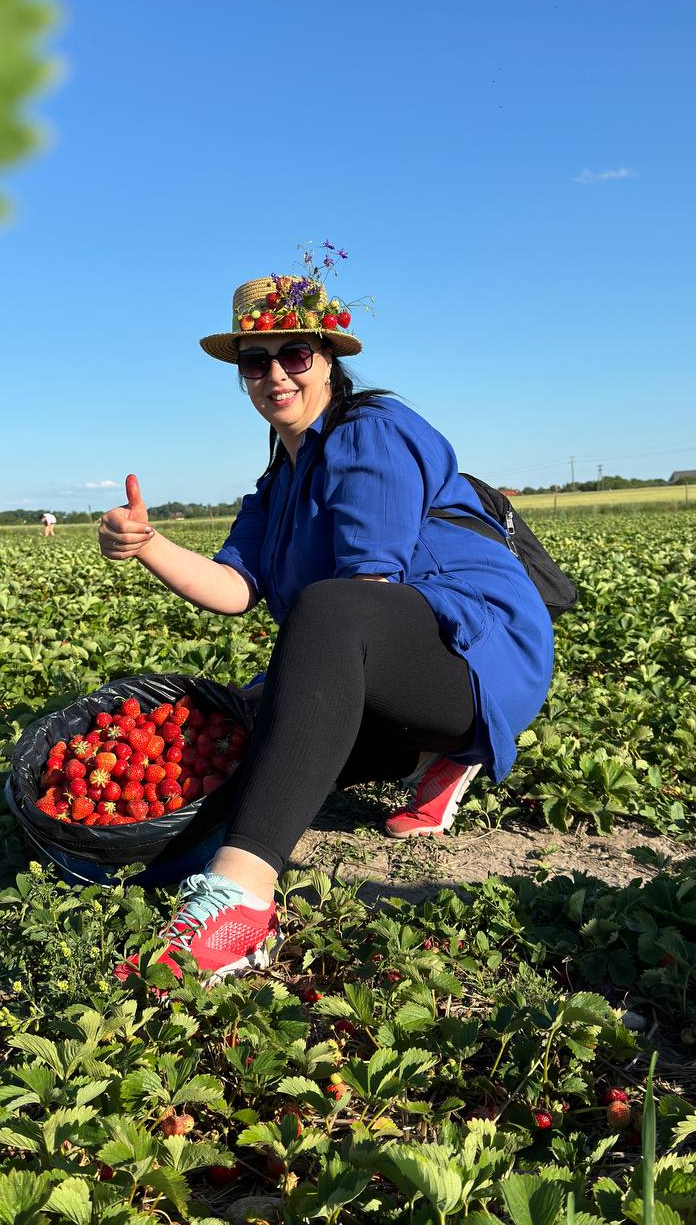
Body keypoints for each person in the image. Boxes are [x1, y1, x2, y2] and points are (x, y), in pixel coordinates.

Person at [99, 270, 554, 989]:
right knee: (251, 745)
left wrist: (280, 692)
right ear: (241, 374)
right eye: (257, 361)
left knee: (326, 613)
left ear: (329, 357)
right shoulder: (275, 483)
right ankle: (430, 755)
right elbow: (234, 588)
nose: (275, 375)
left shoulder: (370, 433)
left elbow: (364, 598)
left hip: (478, 654)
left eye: (295, 355)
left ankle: (240, 903)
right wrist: (146, 545)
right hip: (392, 666)